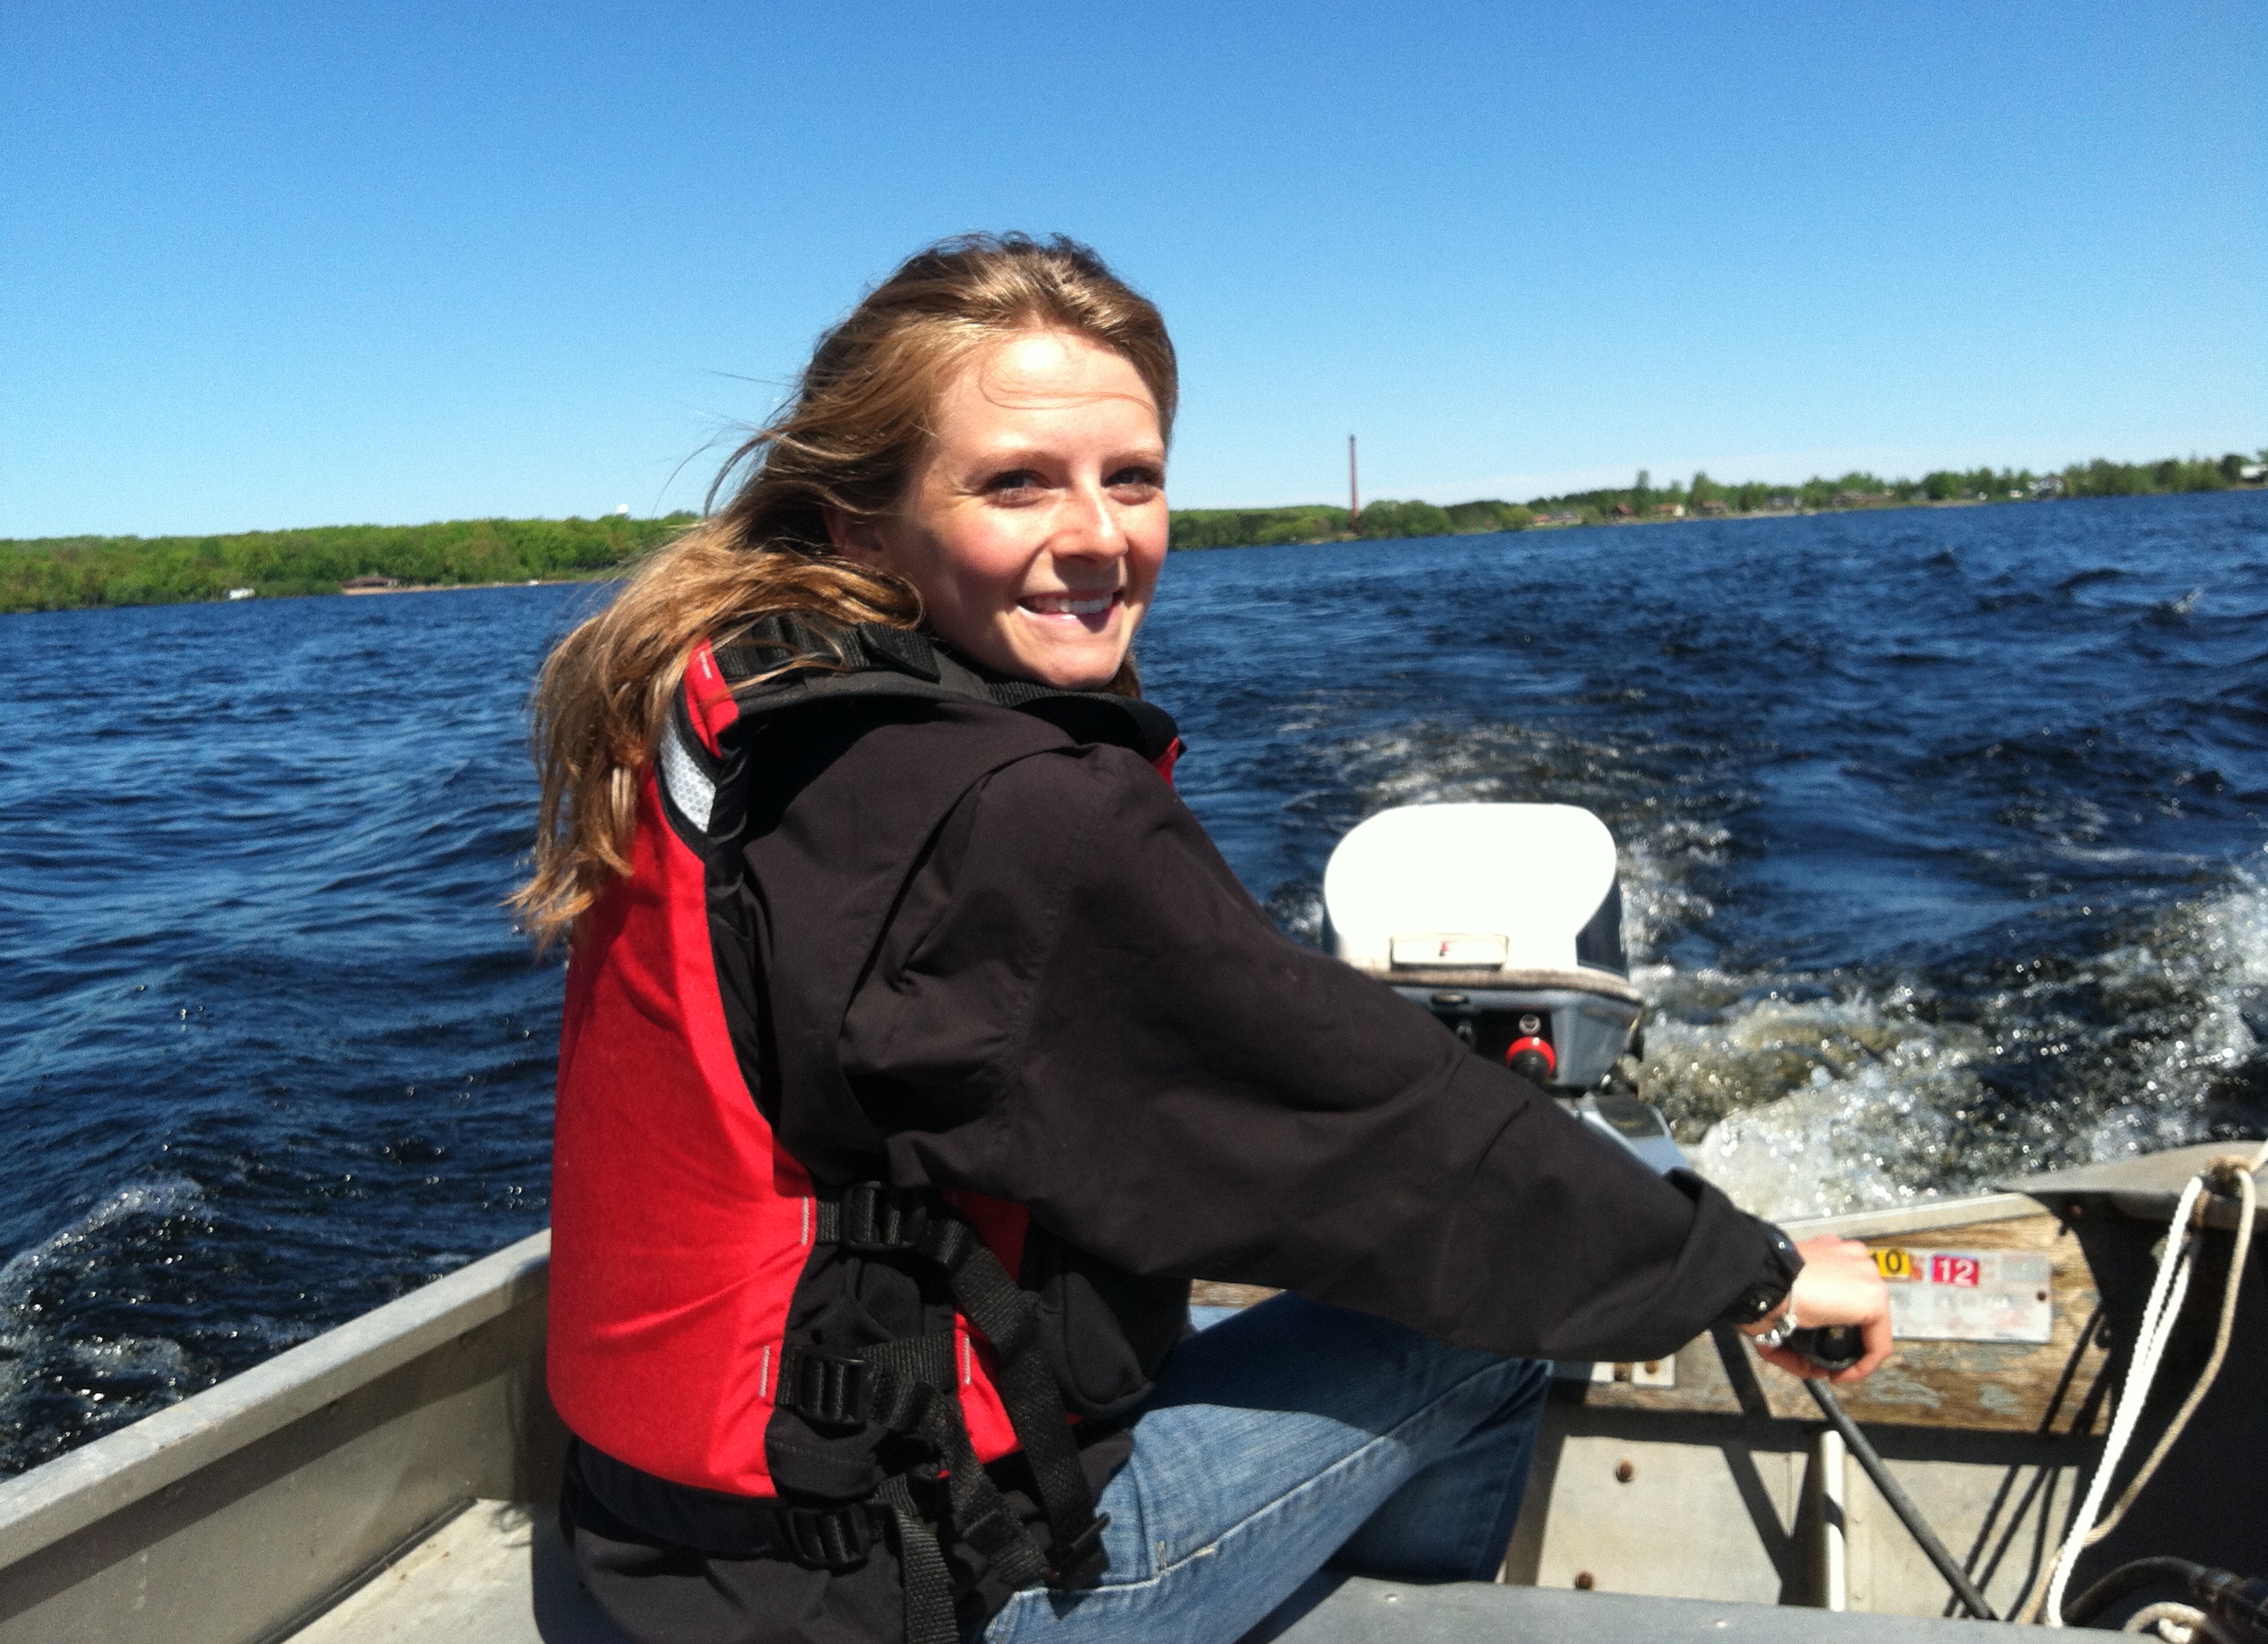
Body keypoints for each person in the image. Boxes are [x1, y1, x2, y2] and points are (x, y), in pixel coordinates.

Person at [514, 234, 1893, 1644]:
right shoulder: (1015, 818)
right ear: (863, 524)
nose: (1101, 534)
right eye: (1015, 483)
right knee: (1488, 1321)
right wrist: (1756, 1272)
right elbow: (1389, 1150)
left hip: (656, 1557)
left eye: (1134, 478)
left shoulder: (744, 716)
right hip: (901, 1596)